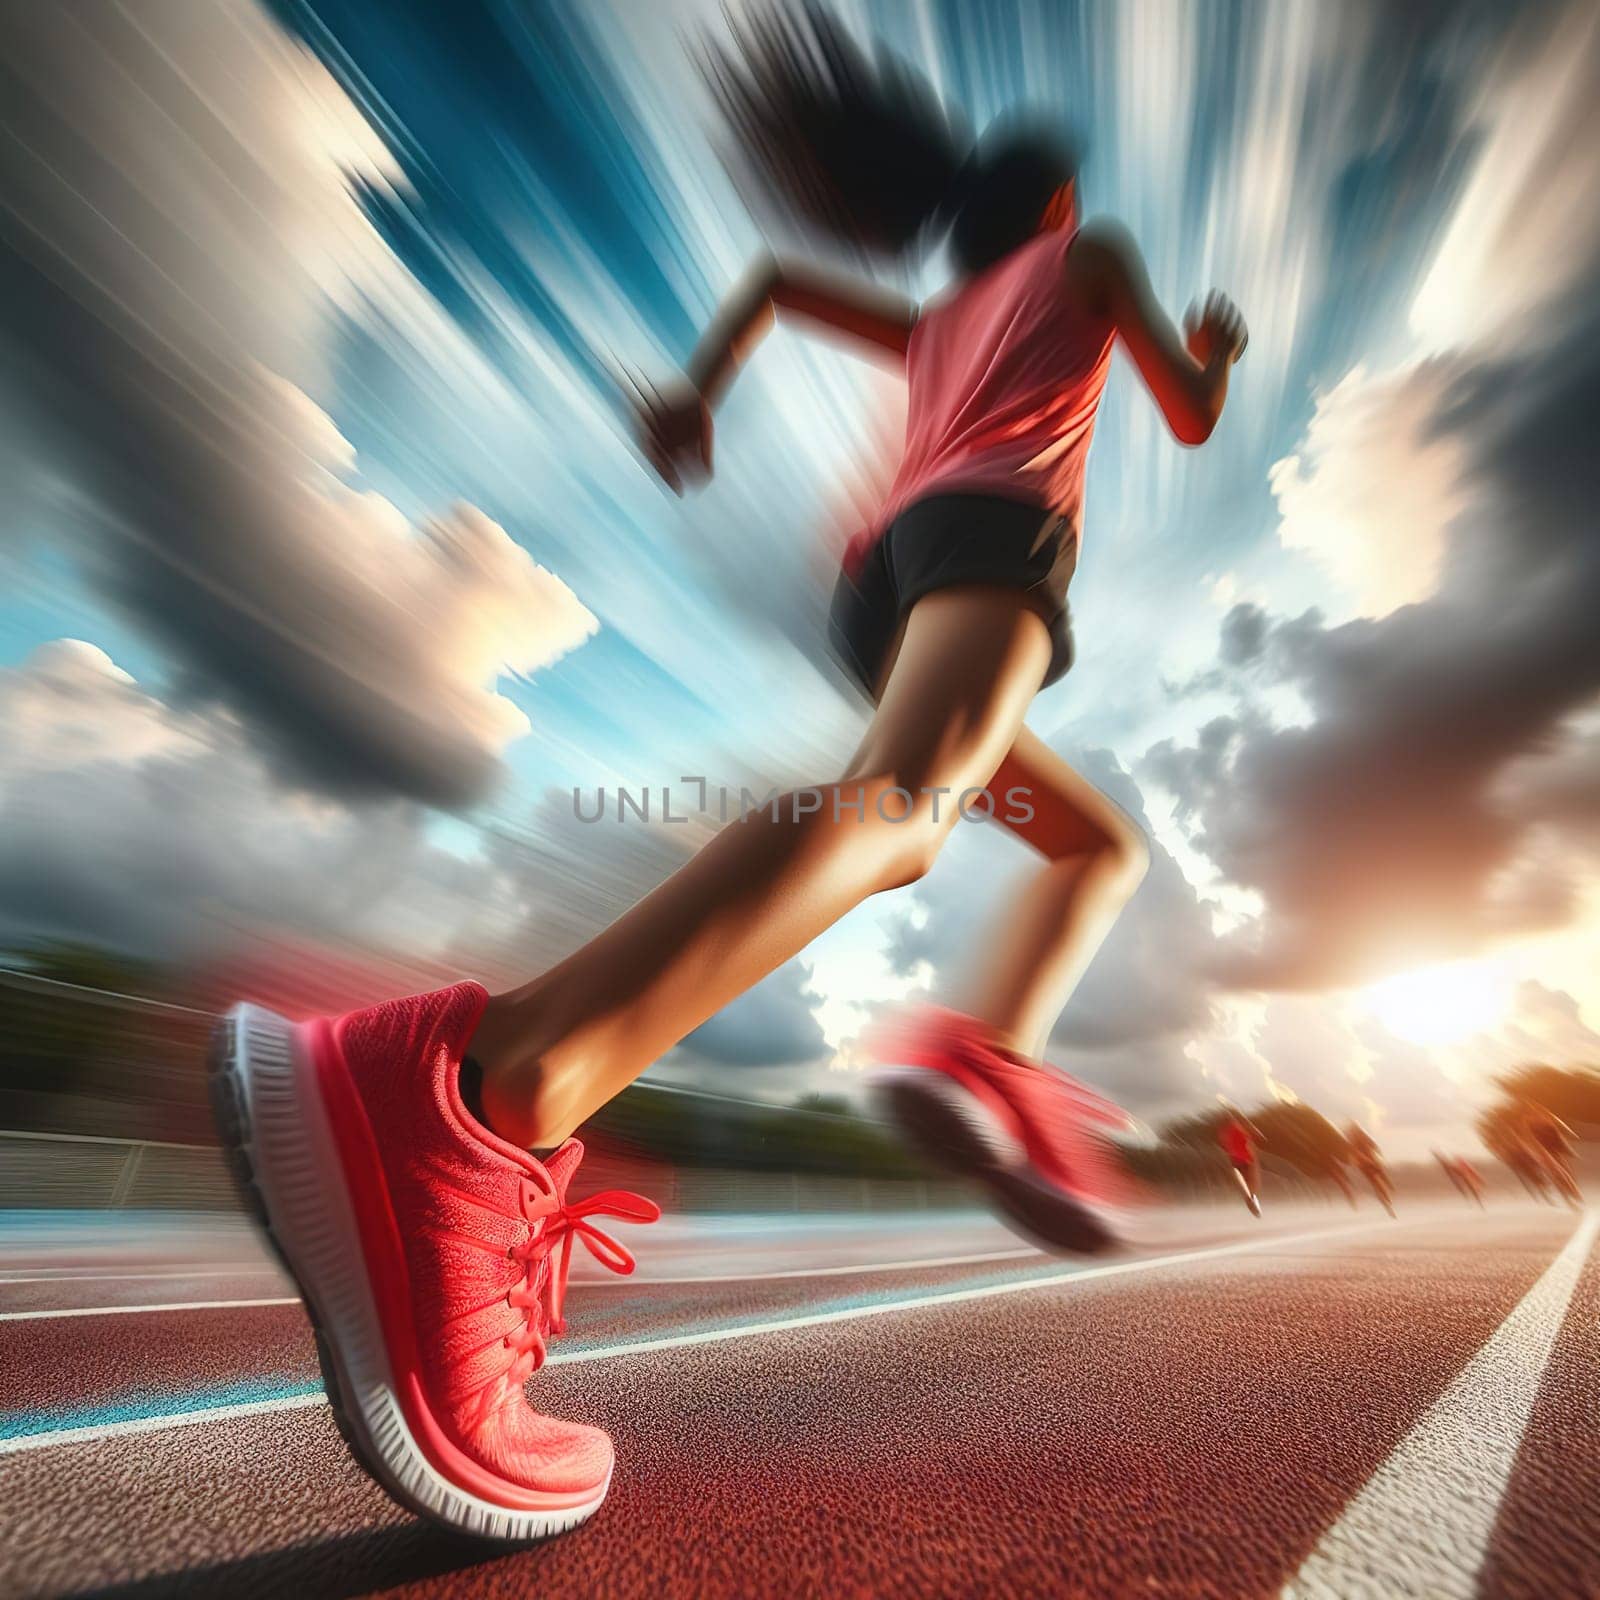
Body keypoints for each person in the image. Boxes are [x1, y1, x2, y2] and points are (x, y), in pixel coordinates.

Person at [210, 4, 1247, 1543]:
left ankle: (995, 1051)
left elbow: (769, 284)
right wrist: (1213, 345)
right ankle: (487, 1091)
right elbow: (1188, 405)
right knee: (900, 815)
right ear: (1054, 208)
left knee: (1086, 842)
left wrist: (697, 391)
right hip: (992, 550)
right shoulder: (1081, 260)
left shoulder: (940, 319)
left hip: (884, 583)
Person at [1522, 1101, 1581, 1207]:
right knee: (1558, 1172)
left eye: (1533, 1110)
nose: (1533, 1112)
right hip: (1545, 1149)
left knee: (1563, 1171)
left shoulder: (1544, 1115)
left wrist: (1570, 1132)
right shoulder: (1529, 1120)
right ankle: (1569, 1197)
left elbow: (1559, 1125)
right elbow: (1529, 1137)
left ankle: (1574, 1193)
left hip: (1554, 1146)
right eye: (1530, 1110)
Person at [1217, 1107, 1264, 1216]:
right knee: (1252, 1183)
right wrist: (1255, 1134)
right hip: (1245, 1160)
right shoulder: (1236, 1128)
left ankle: (1251, 1201)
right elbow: (1248, 1138)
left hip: (1235, 1161)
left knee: (1247, 1184)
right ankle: (1252, 1202)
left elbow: (1225, 1145)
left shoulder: (1222, 1132)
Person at [1345, 1121, 1395, 1216]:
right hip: (1366, 1164)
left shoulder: (1360, 1137)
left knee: (1379, 1180)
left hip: (1369, 1162)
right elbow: (1357, 1152)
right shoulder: (1354, 1139)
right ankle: (1387, 1202)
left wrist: (1376, 1154)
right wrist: (1366, 1160)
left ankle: (1388, 1199)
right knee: (1377, 1181)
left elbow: (1373, 1146)